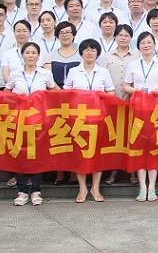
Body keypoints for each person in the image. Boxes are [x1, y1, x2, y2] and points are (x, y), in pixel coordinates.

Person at [123, 32, 158, 202]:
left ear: (154, 45)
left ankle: (152, 187)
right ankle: (142, 187)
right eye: (143, 43)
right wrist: (136, 91)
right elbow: (126, 86)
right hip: (138, 108)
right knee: (138, 145)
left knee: (154, 145)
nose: (146, 45)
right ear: (138, 46)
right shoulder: (133, 64)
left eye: (149, 42)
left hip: (156, 108)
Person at [4, 41, 56, 206]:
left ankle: (36, 190)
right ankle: (21, 191)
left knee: (37, 155)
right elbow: (6, 92)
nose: (30, 56)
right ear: (22, 55)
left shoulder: (45, 74)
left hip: (39, 120)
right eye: (27, 53)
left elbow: (53, 91)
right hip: (19, 120)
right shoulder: (15, 74)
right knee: (20, 154)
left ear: (38, 56)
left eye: (34, 53)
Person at [64, 39, 115, 203]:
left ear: (97, 53)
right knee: (80, 152)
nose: (89, 53)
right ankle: (82, 188)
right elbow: (66, 93)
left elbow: (111, 92)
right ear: (81, 53)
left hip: (98, 117)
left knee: (97, 153)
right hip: (79, 118)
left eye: (93, 50)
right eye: (86, 50)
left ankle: (95, 187)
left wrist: (99, 96)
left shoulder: (103, 72)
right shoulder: (73, 71)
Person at [101, 24, 140, 185]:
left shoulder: (137, 55)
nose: (123, 38)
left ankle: (133, 172)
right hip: (113, 103)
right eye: (120, 35)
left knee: (133, 137)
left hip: (133, 102)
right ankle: (113, 172)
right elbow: (102, 78)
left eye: (126, 35)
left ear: (131, 37)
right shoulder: (107, 57)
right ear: (115, 37)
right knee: (114, 138)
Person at [44, 21, 82, 186]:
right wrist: (61, 92)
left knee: (75, 133)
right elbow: (47, 77)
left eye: (68, 32)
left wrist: (70, 93)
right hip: (56, 99)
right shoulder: (50, 55)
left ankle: (74, 171)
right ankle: (60, 172)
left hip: (76, 99)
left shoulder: (81, 54)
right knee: (59, 133)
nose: (65, 35)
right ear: (57, 36)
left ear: (73, 35)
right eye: (62, 33)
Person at [1, 19, 32, 84]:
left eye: (24, 31)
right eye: (18, 31)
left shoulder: (36, 51)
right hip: (14, 88)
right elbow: (6, 78)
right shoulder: (7, 54)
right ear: (14, 33)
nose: (21, 34)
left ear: (30, 33)